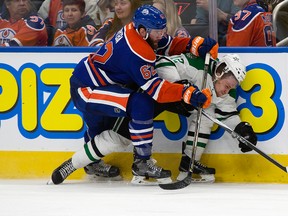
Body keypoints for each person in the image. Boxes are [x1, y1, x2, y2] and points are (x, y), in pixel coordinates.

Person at [49, 4, 219, 185]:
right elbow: (157, 90)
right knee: (140, 104)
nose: (161, 34)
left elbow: (166, 44)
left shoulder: (140, 31)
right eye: (157, 31)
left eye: (162, 30)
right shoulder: (137, 50)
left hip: (102, 83)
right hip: (87, 89)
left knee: (102, 128)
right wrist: (186, 93)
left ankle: (93, 164)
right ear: (143, 30)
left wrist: (192, 45)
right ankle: (142, 163)